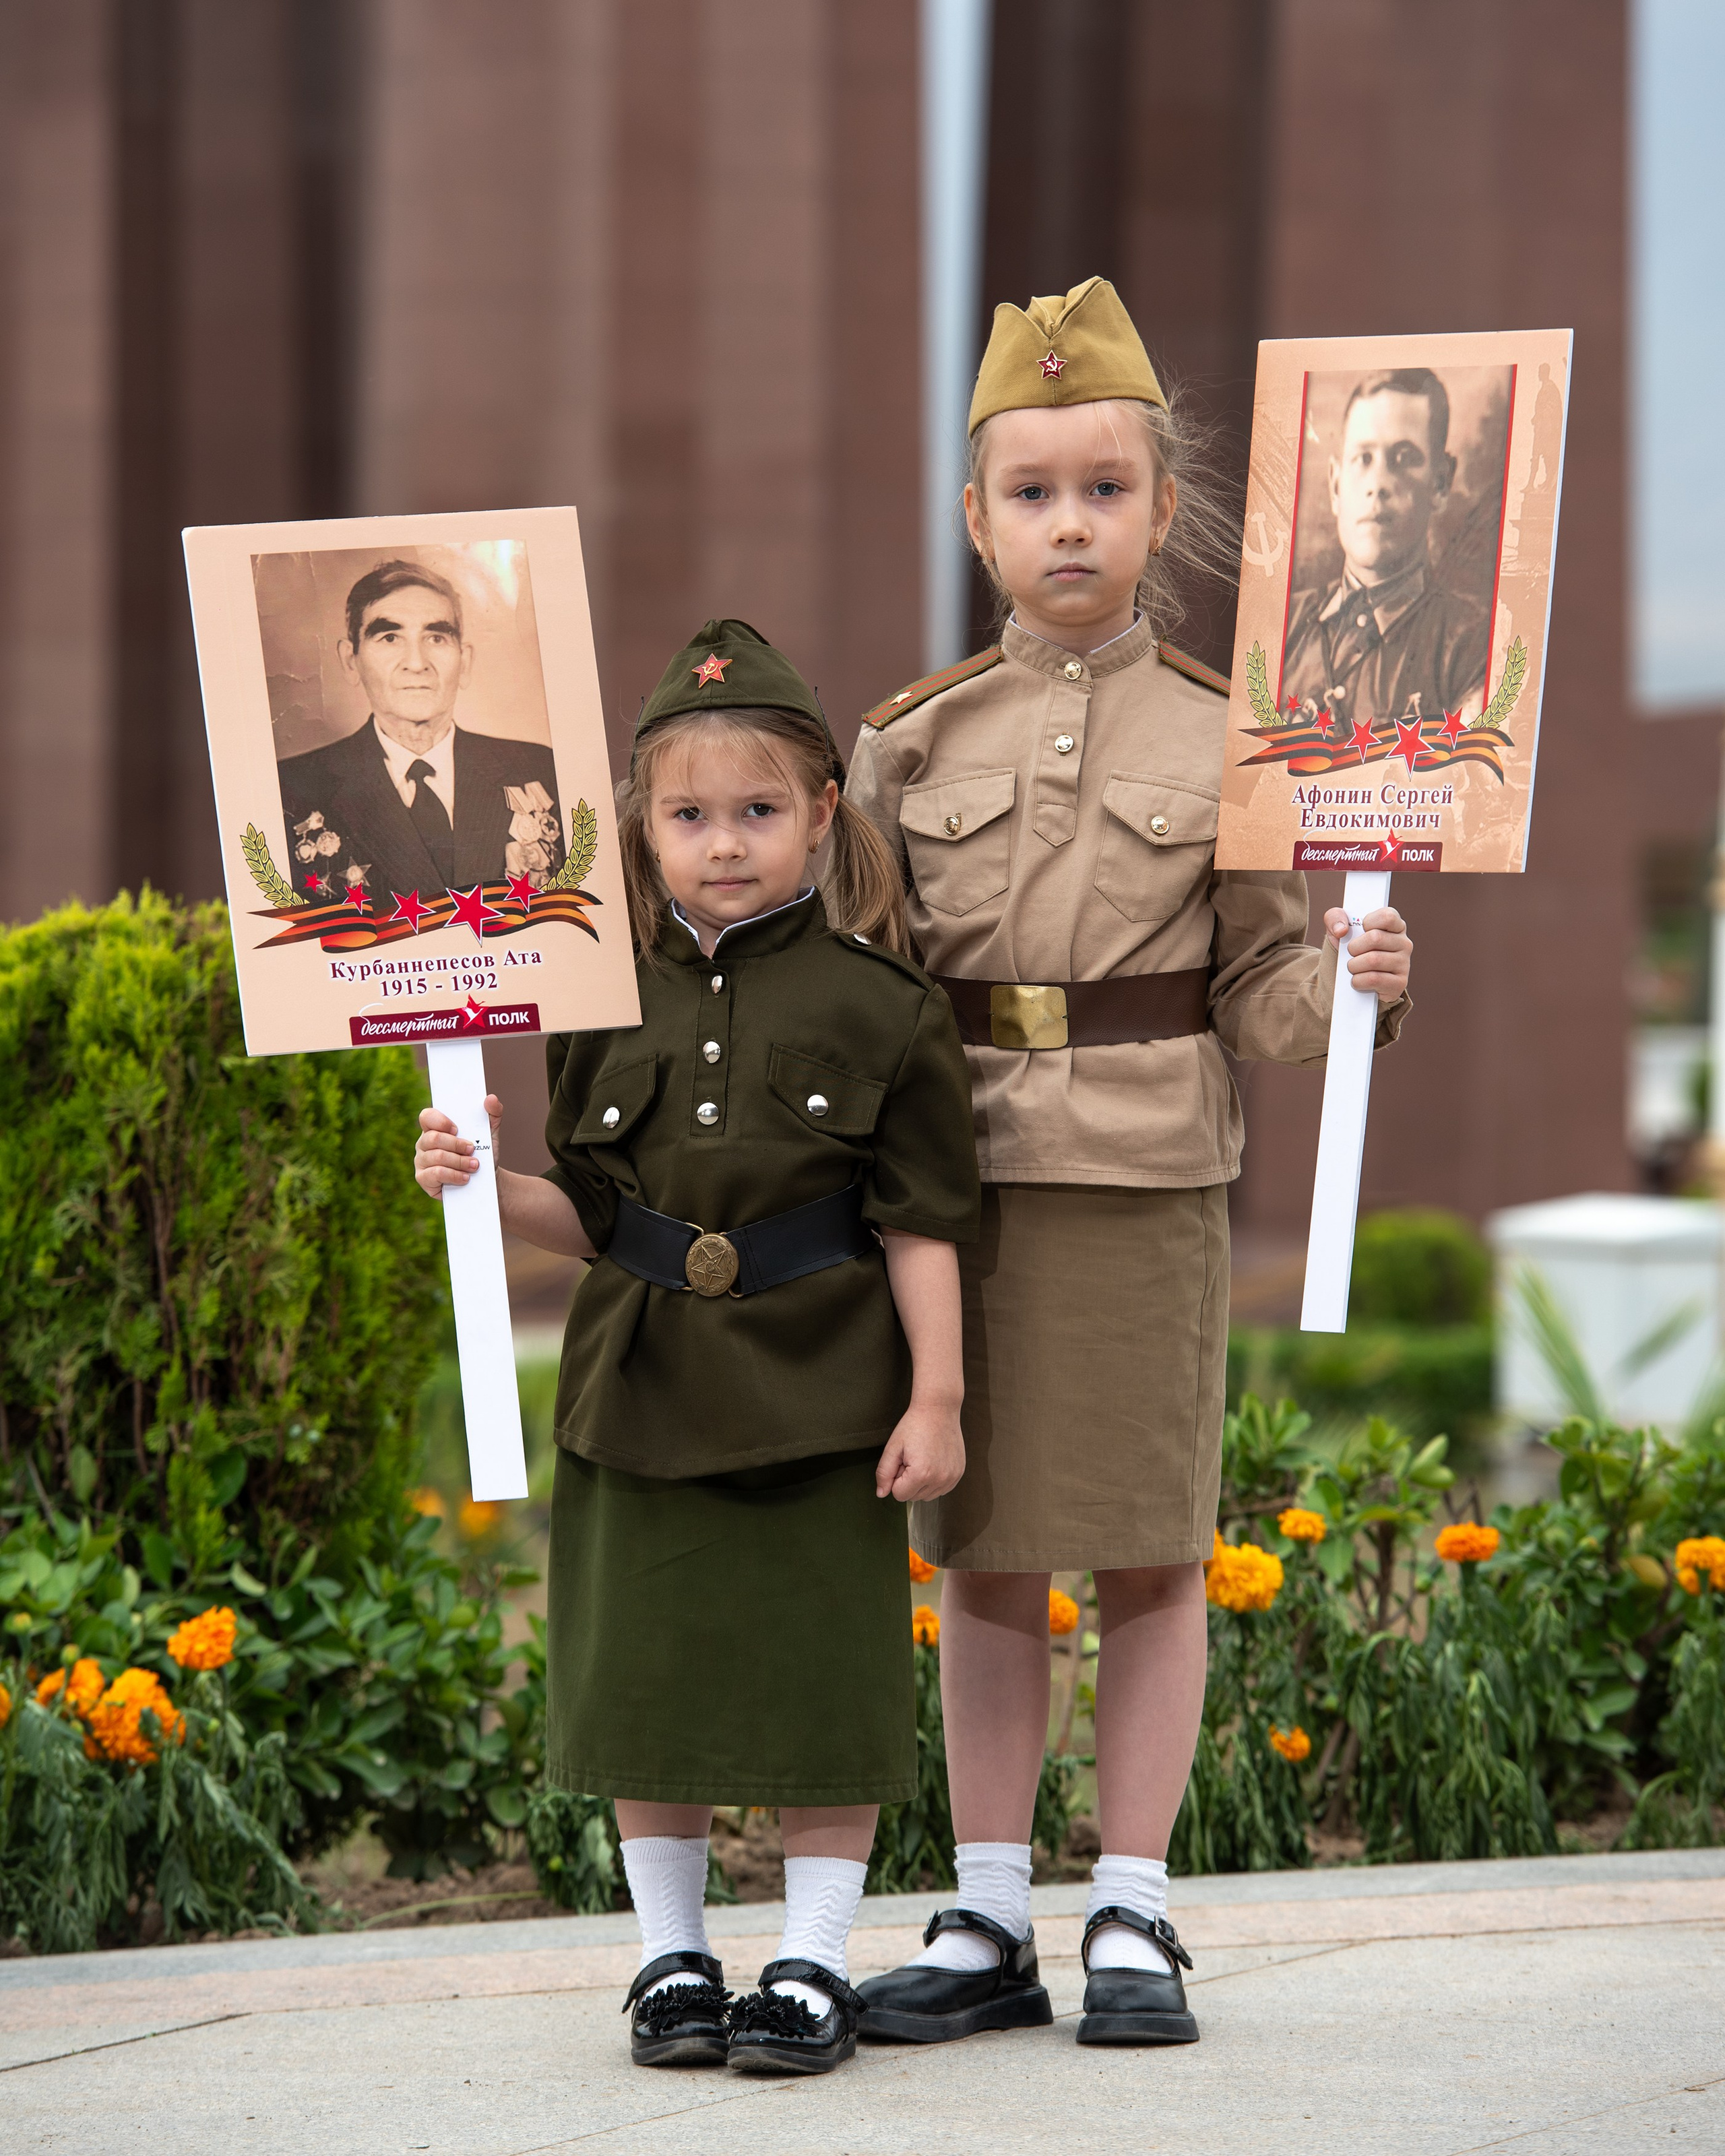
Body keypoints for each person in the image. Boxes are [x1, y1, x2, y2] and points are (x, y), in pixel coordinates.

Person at [844, 278, 1414, 2048]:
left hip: (1150, 1182)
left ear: (1163, 513)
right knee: (986, 1553)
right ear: (977, 519)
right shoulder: (905, 740)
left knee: (1154, 1552)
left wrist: (1353, 985)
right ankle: (986, 1909)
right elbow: (856, 996)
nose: (1069, 522)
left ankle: (1136, 1910)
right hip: (956, 1199)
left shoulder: (1238, 730)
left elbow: (1256, 986)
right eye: (1033, 492)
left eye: (1105, 488)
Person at [413, 619, 980, 2076]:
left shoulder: (886, 1007)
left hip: (823, 1388)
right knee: (646, 1678)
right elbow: (593, 1215)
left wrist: (936, 1396)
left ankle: (811, 1959)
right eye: (687, 815)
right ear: (642, 825)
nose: (723, 844)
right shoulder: (590, 997)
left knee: (820, 1678)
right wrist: (482, 1181)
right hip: (641, 1381)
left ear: (821, 815)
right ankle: (670, 1957)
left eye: (758, 810)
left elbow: (921, 1222)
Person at [278, 559, 564, 906]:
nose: (416, 663)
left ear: (464, 662)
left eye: (436, 638)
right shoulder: (291, 791)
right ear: (351, 661)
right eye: (390, 637)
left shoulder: (542, 770)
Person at [1279, 367, 1490, 729]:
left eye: (1404, 458)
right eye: (1364, 458)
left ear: (1440, 483)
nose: (1377, 484)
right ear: (1336, 486)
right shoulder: (1284, 625)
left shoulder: (1472, 648)